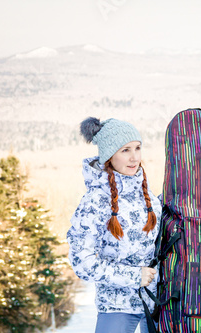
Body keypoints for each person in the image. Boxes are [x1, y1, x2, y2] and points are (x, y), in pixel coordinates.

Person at [67, 117, 161, 333]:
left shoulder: (147, 196)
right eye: (125, 150)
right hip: (116, 307)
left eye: (137, 148)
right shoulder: (96, 201)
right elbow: (82, 261)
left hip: (156, 304)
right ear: (110, 155)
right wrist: (134, 277)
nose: (134, 157)